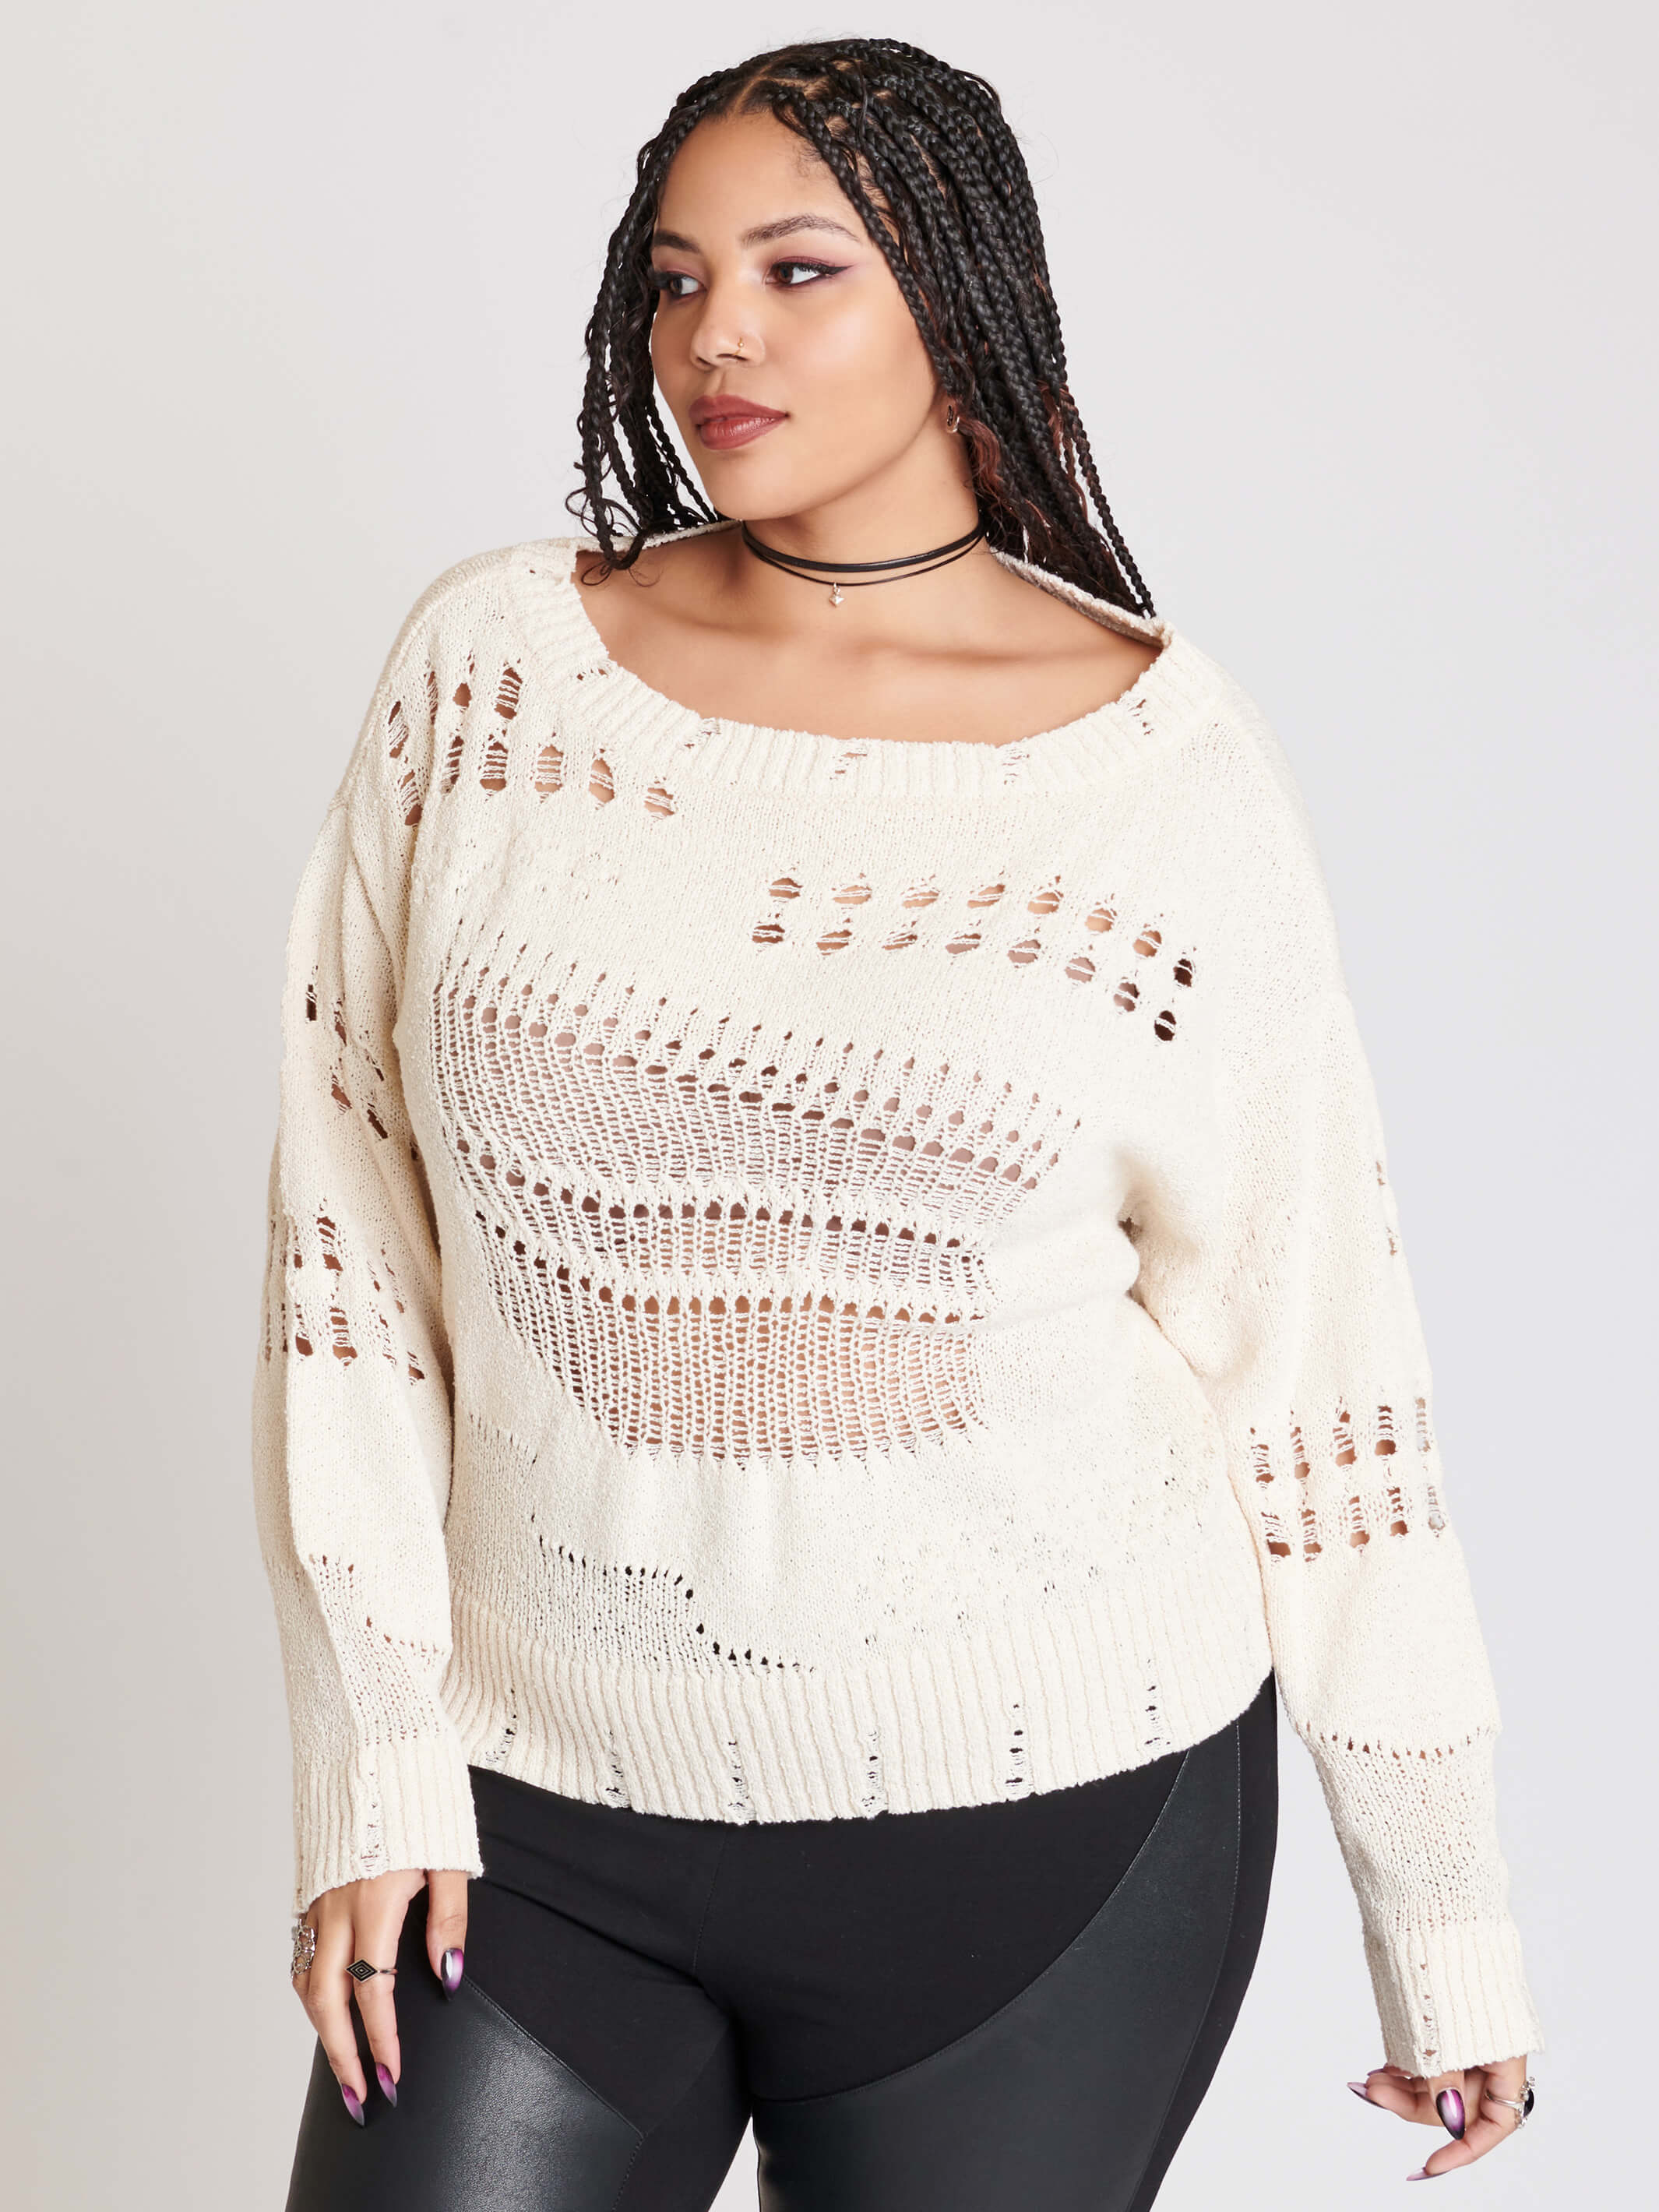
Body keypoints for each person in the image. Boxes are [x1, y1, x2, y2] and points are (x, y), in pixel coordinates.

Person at [254, 37, 1542, 2210]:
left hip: (1049, 1835)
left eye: (795, 270)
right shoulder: (493, 673)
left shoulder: (1159, 772)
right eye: (675, 278)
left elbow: (1319, 1354)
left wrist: (1443, 1915)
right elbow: (348, 1254)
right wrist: (374, 1759)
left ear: (956, 291)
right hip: (530, 1818)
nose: (714, 338)